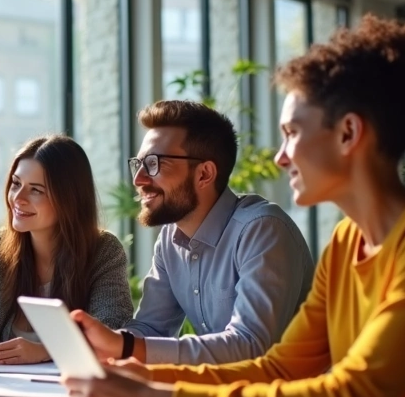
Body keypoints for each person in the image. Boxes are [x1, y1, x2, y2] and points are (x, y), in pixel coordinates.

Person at [65, 15, 405, 397]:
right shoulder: (347, 242)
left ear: (348, 133)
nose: (280, 156)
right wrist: (144, 376)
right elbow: (281, 368)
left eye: (291, 134)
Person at [73, 100, 314, 365]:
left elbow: (251, 345)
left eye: (153, 163)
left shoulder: (262, 230)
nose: (138, 179)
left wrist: (127, 346)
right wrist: (93, 344)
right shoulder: (170, 238)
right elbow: (152, 329)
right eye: (138, 164)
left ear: (204, 174)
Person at [0, 135, 134, 365]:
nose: (18, 198)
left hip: (72, 391)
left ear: (69, 199)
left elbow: (112, 327)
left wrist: (46, 351)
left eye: (36, 190)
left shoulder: (104, 250)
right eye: (16, 184)